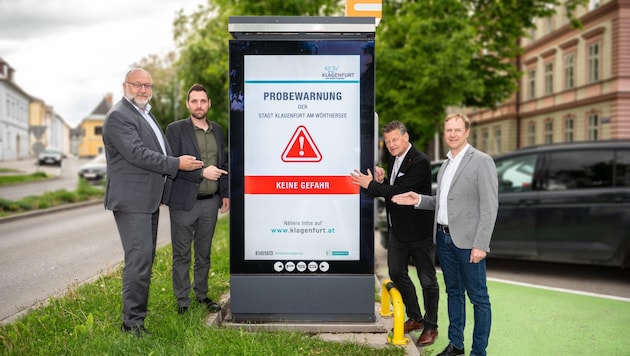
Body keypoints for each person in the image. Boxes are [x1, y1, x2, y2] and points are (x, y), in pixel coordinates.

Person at [102, 68, 204, 336]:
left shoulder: (144, 114)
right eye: (137, 85)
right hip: (132, 202)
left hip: (147, 202)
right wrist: (176, 164)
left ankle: (136, 317)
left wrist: (180, 162)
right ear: (124, 85)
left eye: (147, 85)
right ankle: (131, 324)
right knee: (138, 261)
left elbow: (159, 150)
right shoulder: (119, 117)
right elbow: (137, 154)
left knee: (144, 259)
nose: (143, 90)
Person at [392, 113, 498, 356]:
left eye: (457, 130)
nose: (452, 134)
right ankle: (456, 345)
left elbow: (489, 206)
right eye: (448, 130)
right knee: (453, 293)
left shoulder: (481, 161)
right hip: (445, 239)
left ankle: (478, 352)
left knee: (479, 299)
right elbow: (445, 202)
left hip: (468, 243)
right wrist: (418, 199)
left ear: (467, 132)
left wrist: (481, 244)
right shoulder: (447, 164)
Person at [351, 121, 439, 347]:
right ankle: (415, 317)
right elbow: (392, 188)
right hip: (398, 230)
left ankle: (431, 326)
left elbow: (400, 192)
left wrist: (371, 185)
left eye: (395, 140)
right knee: (397, 273)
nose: (391, 145)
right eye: (388, 141)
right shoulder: (393, 158)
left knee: (427, 280)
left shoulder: (420, 161)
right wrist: (381, 181)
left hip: (420, 233)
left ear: (406, 137)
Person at [165, 83, 229, 315]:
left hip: (210, 202)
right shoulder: (175, 130)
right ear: (187, 104)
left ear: (209, 103)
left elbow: (223, 165)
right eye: (194, 101)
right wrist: (201, 172)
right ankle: (183, 301)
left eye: (203, 101)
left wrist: (225, 194)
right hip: (183, 202)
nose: (199, 105)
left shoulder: (219, 131)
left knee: (204, 253)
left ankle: (201, 295)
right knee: (181, 254)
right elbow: (170, 164)